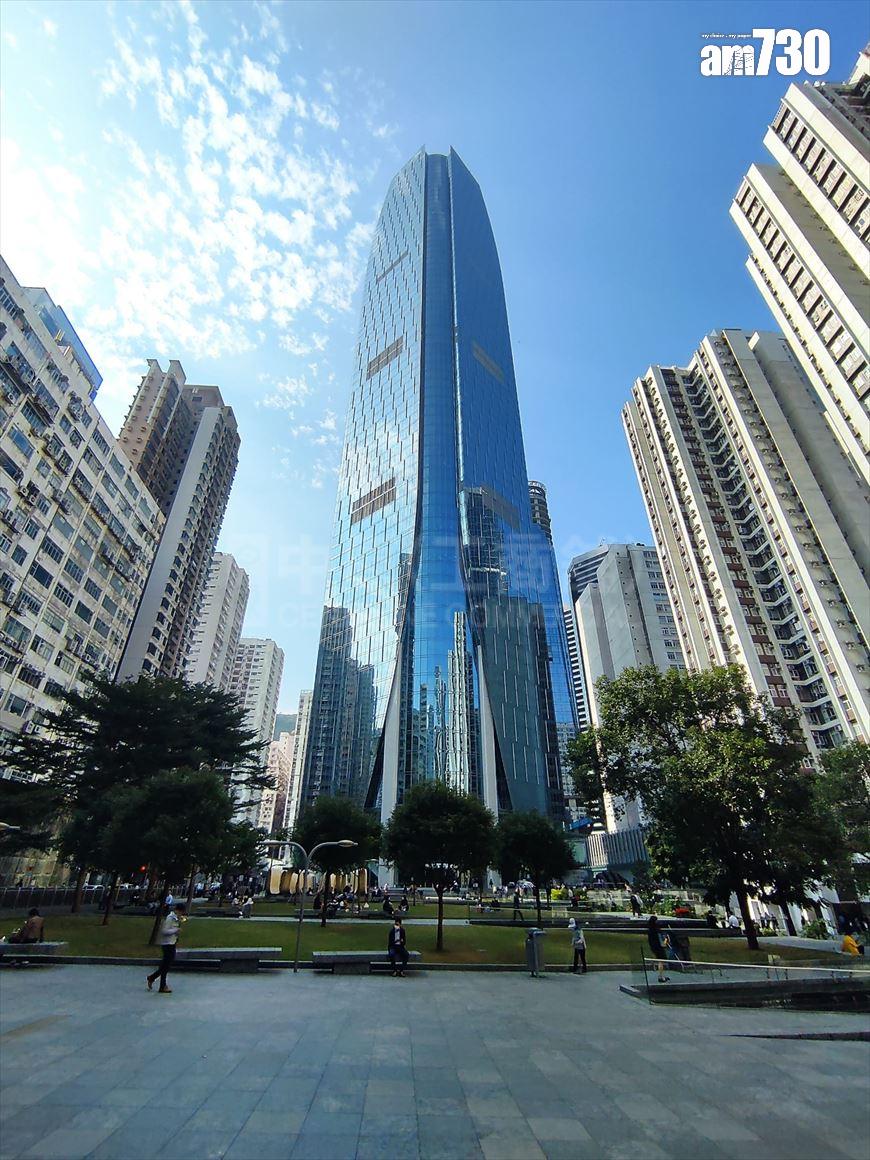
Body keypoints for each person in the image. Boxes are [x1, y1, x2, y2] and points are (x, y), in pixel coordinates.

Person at [147, 902, 186, 994]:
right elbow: (164, 931)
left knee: (166, 965)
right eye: (181, 912)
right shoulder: (170, 918)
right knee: (166, 966)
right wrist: (175, 930)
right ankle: (161, 985)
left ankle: (153, 978)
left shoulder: (176, 918)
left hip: (172, 943)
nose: (181, 914)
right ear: (177, 910)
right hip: (167, 944)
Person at [647, 914, 669, 983]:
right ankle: (661, 977)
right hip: (658, 947)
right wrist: (666, 940)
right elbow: (662, 942)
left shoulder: (650, 931)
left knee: (659, 960)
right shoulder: (657, 931)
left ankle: (661, 975)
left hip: (653, 946)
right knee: (661, 961)